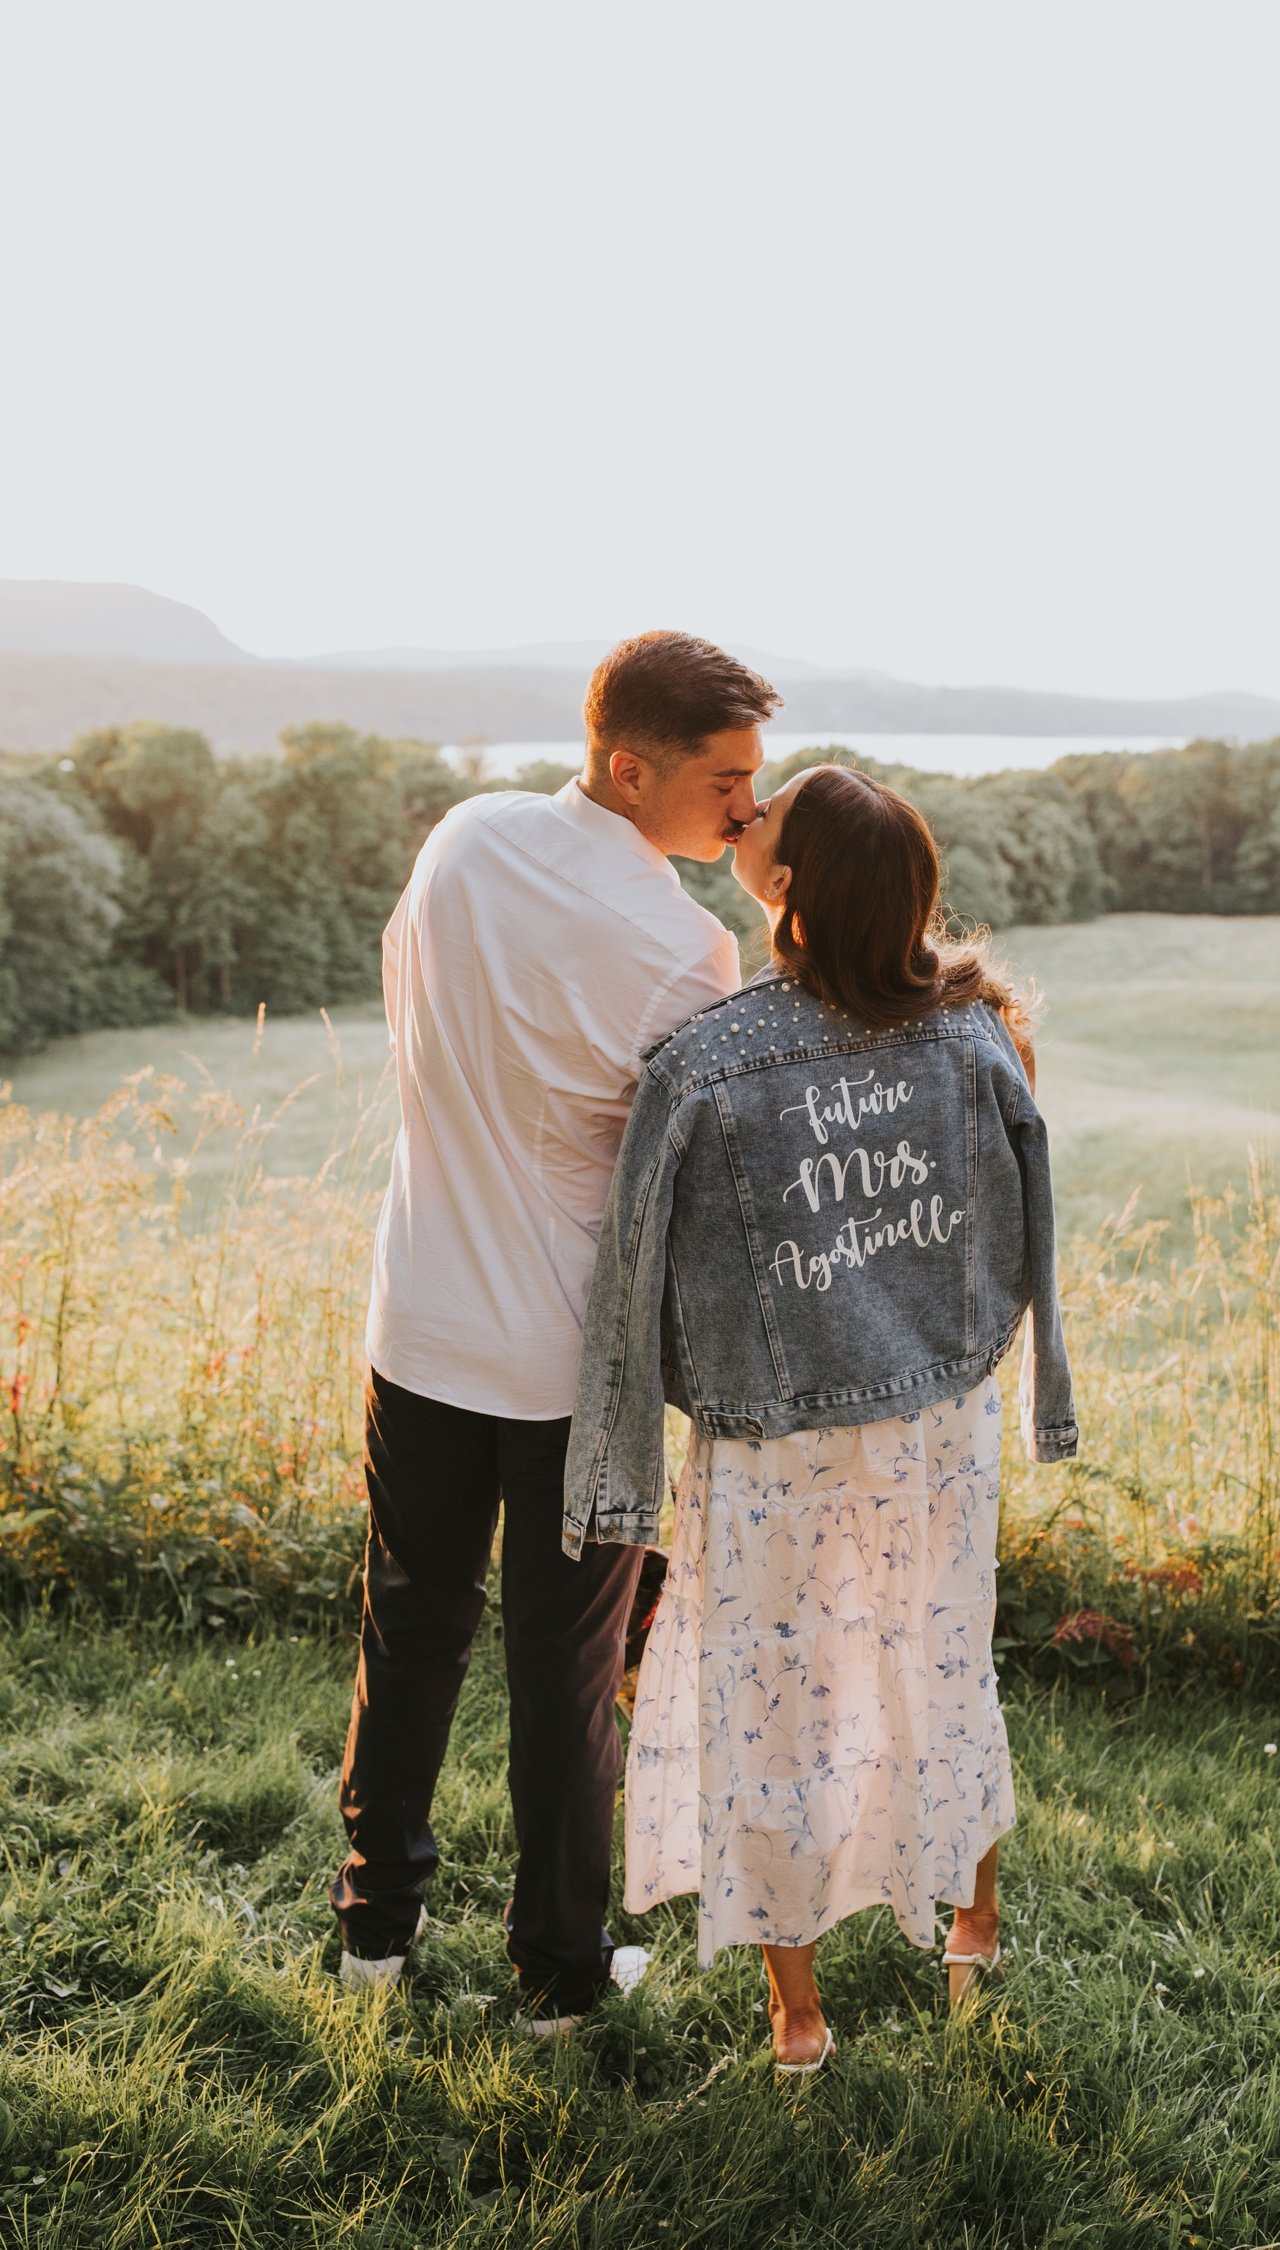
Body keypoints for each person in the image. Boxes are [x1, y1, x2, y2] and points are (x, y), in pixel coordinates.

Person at [564, 762, 1078, 2069]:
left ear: (784, 886)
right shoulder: (973, 1034)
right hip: (935, 1430)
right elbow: (1025, 1236)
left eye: (764, 818)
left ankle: (800, 2018)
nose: (743, 818)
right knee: (943, 1665)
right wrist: (1003, 1370)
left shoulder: (701, 1062)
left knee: (771, 1706)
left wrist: (655, 1430)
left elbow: (639, 1270)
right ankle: (975, 1928)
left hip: (771, 1442)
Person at [330, 631, 780, 2032]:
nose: (747, 811)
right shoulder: (686, 948)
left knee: (408, 1628)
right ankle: (558, 1978)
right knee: (567, 1674)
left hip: (422, 1317)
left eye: (757, 782)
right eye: (727, 779)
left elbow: (416, 1023)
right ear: (626, 763)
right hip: (575, 1368)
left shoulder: (461, 842)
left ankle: (375, 1936)